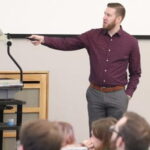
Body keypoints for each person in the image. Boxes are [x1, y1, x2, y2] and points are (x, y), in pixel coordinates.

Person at [28, 3, 141, 131]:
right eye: (104, 14)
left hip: (118, 96)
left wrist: (127, 95)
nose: (104, 17)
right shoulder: (92, 36)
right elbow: (67, 43)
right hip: (95, 95)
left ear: (119, 19)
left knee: (115, 138)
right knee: (95, 137)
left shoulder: (131, 42)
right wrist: (43, 39)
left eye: (108, 15)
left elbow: (136, 73)